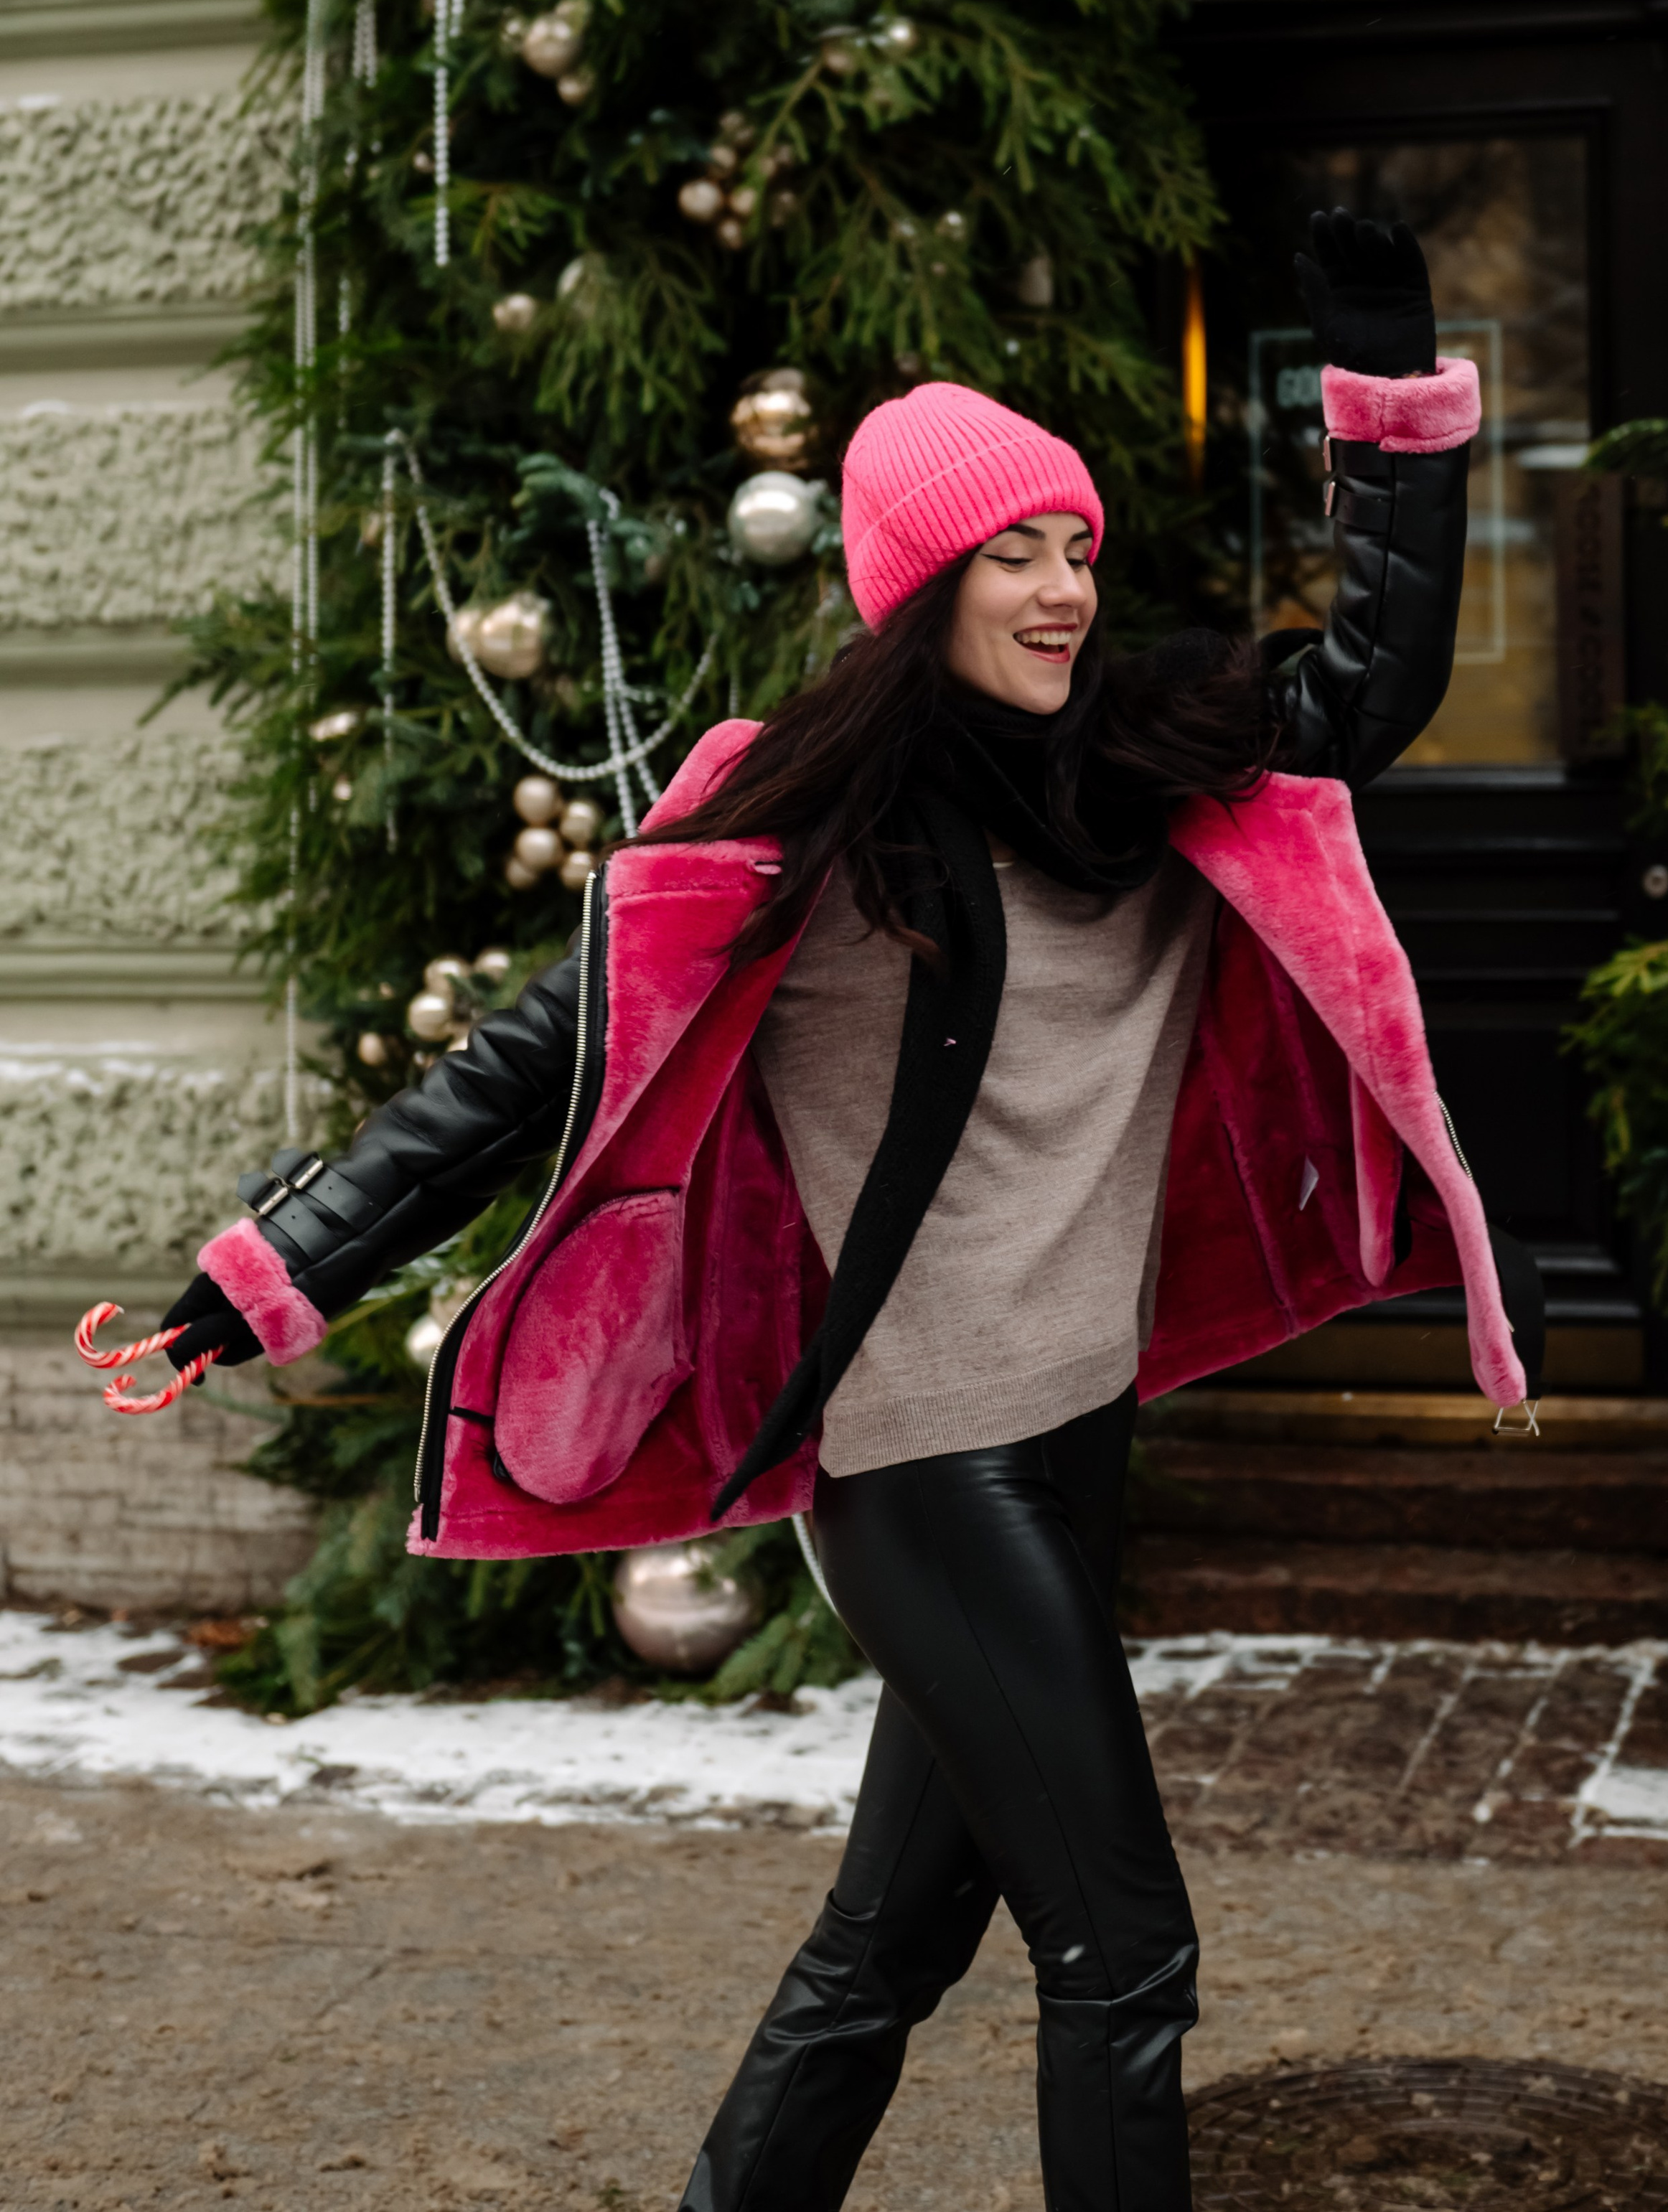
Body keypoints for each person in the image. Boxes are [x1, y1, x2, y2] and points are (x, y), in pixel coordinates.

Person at [152, 212, 1528, 2212]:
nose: (1063, 588)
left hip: (1071, 1429)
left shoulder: (1140, 764)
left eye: (1075, 546)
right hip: (920, 1462)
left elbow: (1373, 682)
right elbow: (521, 1069)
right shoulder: (798, 829)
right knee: (1125, 1950)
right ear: (916, 587)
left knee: (888, 1946)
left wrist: (1384, 385)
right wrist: (270, 1271)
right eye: (1012, 555)